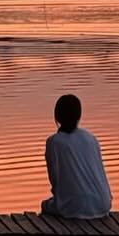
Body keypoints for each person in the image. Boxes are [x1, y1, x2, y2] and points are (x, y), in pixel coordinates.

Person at [42, 93, 112, 221]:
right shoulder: (91, 139)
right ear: (79, 116)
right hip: (103, 204)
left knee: (45, 205)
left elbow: (55, 181)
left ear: (57, 116)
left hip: (74, 208)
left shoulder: (54, 142)